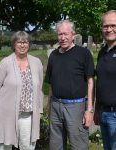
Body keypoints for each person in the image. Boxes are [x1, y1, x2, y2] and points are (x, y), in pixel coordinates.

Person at [0, 31, 43, 150]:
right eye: (19, 42)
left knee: (27, 146)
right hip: (6, 113)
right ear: (14, 44)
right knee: (5, 146)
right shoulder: (5, 63)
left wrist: (40, 110)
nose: (22, 45)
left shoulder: (36, 62)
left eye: (25, 42)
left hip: (27, 114)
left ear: (29, 44)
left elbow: (39, 89)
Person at [45, 20, 94, 150]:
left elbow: (90, 82)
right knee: (55, 146)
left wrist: (89, 110)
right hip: (56, 106)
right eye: (60, 34)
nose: (63, 38)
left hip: (76, 106)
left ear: (73, 35)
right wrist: (49, 105)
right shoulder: (53, 56)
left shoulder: (83, 54)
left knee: (78, 146)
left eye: (66, 34)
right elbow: (51, 83)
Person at [94, 10, 116, 150]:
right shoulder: (102, 52)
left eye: (113, 25)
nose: (109, 29)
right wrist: (96, 110)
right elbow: (100, 82)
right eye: (105, 26)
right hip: (103, 113)